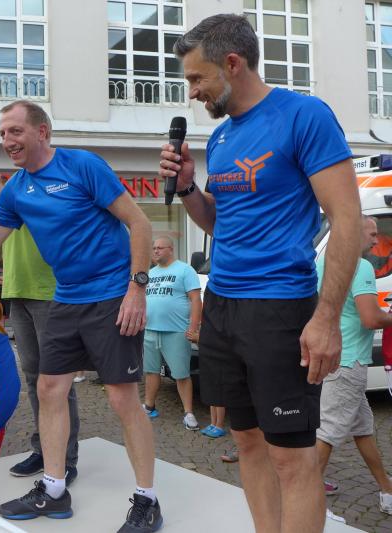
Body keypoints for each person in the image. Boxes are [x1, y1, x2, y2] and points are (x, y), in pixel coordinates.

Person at [159, 14, 361, 533]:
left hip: (280, 307)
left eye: (197, 78)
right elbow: (218, 224)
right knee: (246, 441)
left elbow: (346, 219)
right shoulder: (221, 138)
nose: (193, 92)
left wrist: (326, 319)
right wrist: (188, 188)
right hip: (223, 307)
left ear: (233, 63)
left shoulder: (304, 116)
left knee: (291, 458)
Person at [0, 100, 158, 530]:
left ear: (42, 132)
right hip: (65, 296)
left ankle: (147, 499)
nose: (8, 141)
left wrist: (136, 289)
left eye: (15, 131)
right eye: (2, 134)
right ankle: (53, 490)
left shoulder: (83, 166)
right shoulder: (15, 190)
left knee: (122, 397)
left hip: (111, 294)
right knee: (49, 389)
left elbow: (139, 223)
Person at [0, 168, 81, 489]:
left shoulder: (42, 192)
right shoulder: (7, 199)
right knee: (34, 378)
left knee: (57, 380)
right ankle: (43, 450)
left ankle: (66, 458)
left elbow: (36, 213)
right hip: (17, 291)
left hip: (50, 291)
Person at [315, 216, 392, 520]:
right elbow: (370, 319)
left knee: (363, 428)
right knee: (327, 433)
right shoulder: (361, 267)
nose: (376, 240)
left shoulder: (324, 263)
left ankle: (387, 490)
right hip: (348, 363)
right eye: (372, 234)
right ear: (353, 233)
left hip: (333, 357)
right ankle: (312, 506)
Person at [142, 237, 202, 431]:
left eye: (160, 248)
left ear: (171, 249)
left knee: (181, 374)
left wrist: (193, 327)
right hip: (150, 330)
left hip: (176, 331)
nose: (156, 251)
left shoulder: (185, 270)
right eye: (153, 248)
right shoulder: (150, 273)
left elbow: (195, 299)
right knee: (151, 371)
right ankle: (149, 406)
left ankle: (188, 413)